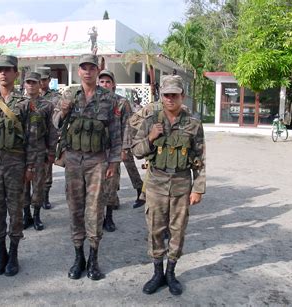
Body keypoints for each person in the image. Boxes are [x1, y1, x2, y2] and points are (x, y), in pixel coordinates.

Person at [131, 75, 206, 295]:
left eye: (175, 94)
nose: (171, 98)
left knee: (177, 230)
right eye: (167, 95)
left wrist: (198, 187)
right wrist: (151, 138)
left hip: (182, 183)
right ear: (161, 96)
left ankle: (171, 272)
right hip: (156, 182)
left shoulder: (193, 124)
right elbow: (136, 151)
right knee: (155, 229)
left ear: (182, 96)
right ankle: (157, 273)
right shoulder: (150, 122)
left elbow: (200, 157)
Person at [52, 54, 122, 280]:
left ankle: (93, 258)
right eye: (84, 68)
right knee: (75, 208)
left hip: (97, 162)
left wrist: (114, 161)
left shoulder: (108, 98)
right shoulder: (69, 94)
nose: (88, 71)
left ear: (98, 70)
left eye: (92, 68)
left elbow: (115, 132)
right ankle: (78, 256)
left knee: (95, 209)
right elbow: (55, 123)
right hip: (73, 160)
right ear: (79, 71)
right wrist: (63, 111)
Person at [0, 55, 36, 277]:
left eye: (8, 69)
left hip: (15, 164)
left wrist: (30, 166)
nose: (3, 73)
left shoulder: (24, 103)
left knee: (16, 209)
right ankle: (0, 252)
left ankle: (14, 254)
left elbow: (32, 138)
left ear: (16, 74)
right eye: (0, 69)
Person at [97, 69, 144, 231]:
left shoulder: (122, 103)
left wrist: (125, 147)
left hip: (114, 149)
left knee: (111, 183)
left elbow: (128, 126)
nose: (104, 84)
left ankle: (108, 218)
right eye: (102, 81)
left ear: (113, 84)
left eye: (108, 82)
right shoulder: (91, 101)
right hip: (95, 151)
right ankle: (97, 216)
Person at [22, 72, 57, 231]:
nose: (31, 85)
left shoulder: (47, 105)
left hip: (39, 152)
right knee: (23, 186)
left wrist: (51, 152)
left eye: (34, 82)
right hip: (20, 153)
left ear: (39, 85)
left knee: (38, 186)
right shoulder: (18, 104)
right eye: (28, 82)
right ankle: (26, 215)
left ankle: (36, 216)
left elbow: (52, 130)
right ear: (24, 84)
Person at [37, 66, 61, 210]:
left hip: (48, 138)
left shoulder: (55, 97)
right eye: (39, 80)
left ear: (49, 80)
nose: (41, 83)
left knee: (47, 170)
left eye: (44, 80)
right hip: (33, 139)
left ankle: (45, 197)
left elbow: (57, 119)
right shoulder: (28, 96)